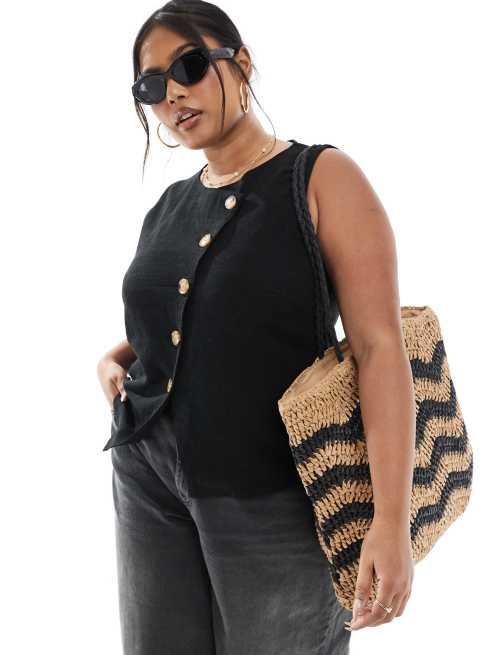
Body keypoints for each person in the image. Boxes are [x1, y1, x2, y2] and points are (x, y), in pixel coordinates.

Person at [96, 1, 415, 653]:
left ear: (240, 64)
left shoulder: (319, 177)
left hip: (273, 493)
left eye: (188, 66)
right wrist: (118, 355)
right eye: (151, 86)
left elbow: (379, 347)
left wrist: (391, 520)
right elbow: (201, 314)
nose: (172, 94)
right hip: (147, 478)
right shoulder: (170, 206)